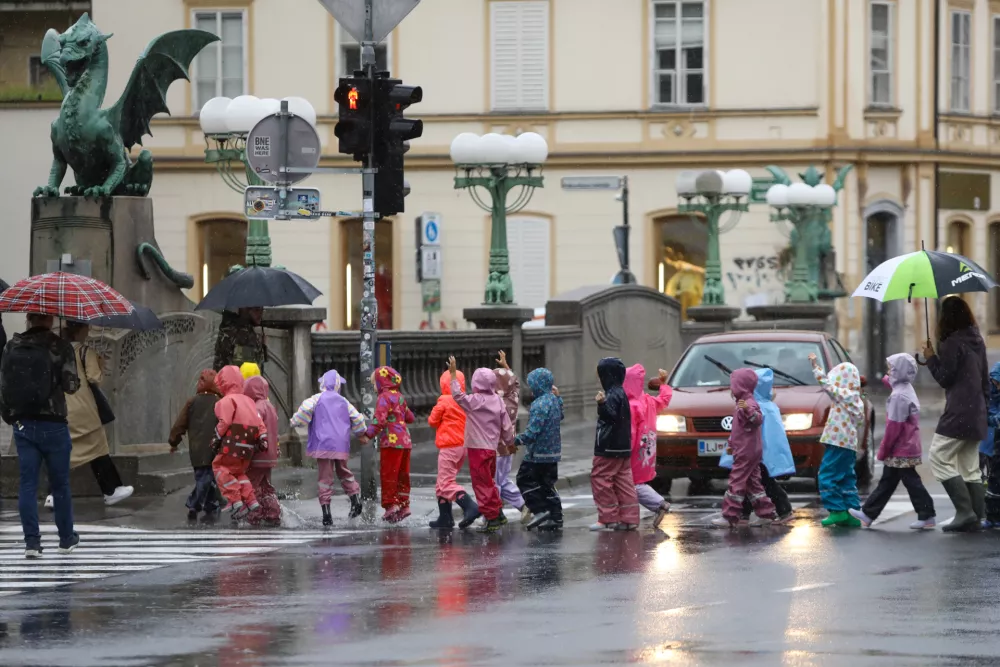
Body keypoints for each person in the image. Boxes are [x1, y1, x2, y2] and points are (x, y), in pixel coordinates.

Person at [0, 313, 81, 557]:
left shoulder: (11, 346)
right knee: (60, 484)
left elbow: (3, 384)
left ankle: (32, 543)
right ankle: (66, 539)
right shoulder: (60, 346)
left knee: (27, 484)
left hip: (24, 424)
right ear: (50, 319)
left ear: (28, 319)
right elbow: (71, 386)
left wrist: (10, 417)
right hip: (54, 423)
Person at [923, 297, 990, 532]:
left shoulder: (951, 343)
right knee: (969, 465)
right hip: (977, 410)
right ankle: (977, 513)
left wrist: (931, 358)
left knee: (938, 456)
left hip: (959, 411)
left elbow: (945, 378)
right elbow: (984, 380)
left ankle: (964, 512)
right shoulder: (977, 340)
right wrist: (985, 408)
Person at [849, 354, 936, 530]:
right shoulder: (905, 389)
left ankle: (927, 515)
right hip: (906, 446)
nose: (889, 371)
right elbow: (896, 384)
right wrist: (888, 378)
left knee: (910, 482)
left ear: (900, 372)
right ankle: (868, 514)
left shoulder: (898, 397)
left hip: (900, 448)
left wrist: (883, 450)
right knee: (889, 482)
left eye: (892, 369)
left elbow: (893, 429)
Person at [56, 321, 133, 507]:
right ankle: (111, 489)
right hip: (84, 409)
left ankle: (53, 493)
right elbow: (94, 378)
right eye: (86, 328)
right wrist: (99, 361)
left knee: (62, 454)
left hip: (63, 408)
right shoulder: (85, 351)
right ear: (81, 330)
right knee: (99, 448)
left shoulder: (57, 352)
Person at [290, 370, 367, 526]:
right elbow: (358, 419)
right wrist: (360, 433)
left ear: (322, 384)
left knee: (325, 477)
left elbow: (303, 413)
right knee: (344, 471)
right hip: (340, 444)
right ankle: (355, 499)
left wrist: (294, 422)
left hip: (323, 443)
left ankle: (326, 512)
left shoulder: (316, 399)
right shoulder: (344, 401)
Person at [448, 356, 515, 534]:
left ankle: (492, 518)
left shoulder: (474, 401)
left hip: (477, 449)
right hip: (491, 449)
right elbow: (506, 426)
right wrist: (510, 443)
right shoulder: (498, 401)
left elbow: (457, 395)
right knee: (490, 482)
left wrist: (453, 374)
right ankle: (498, 512)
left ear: (476, 383)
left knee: (481, 484)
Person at [721, 368, 795, 525]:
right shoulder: (762, 405)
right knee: (752, 483)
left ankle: (782, 510)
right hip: (755, 452)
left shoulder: (755, 406)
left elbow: (758, 428)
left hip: (755, 453)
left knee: (760, 482)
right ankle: (749, 513)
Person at [712, 368, 778, 528]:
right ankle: (766, 513)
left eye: (733, 385)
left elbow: (758, 419)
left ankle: (730, 515)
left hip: (746, 452)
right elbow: (738, 430)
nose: (731, 389)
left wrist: (747, 410)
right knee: (753, 482)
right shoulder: (743, 403)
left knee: (736, 481)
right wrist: (731, 445)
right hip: (748, 449)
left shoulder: (748, 403)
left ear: (740, 386)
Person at [810, 355, 865, 528]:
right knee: (846, 476)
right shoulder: (856, 398)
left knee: (827, 474)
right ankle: (852, 512)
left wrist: (816, 367)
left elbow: (827, 386)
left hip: (837, 441)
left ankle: (837, 510)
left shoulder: (844, 394)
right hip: (849, 444)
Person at [212, 365, 268, 521]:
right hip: (248, 444)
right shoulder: (249, 401)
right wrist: (263, 436)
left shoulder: (225, 401)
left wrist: (216, 437)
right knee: (238, 472)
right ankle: (251, 500)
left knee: (219, 468)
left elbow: (225, 421)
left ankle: (235, 499)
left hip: (232, 442)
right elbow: (259, 421)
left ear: (223, 383)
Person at [427, 368, 480, 529]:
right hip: (462, 446)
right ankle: (445, 517)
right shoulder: (464, 400)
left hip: (448, 446)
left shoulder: (444, 400)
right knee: (442, 482)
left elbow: (432, 421)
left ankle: (470, 506)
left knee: (446, 482)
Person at [590, 357, 639, 532]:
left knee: (601, 478)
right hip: (622, 447)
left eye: (600, 374)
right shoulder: (622, 393)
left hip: (608, 447)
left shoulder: (611, 395)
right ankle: (629, 518)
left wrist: (601, 404)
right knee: (623, 481)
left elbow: (610, 417)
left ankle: (607, 517)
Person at [168, 369, 223, 521]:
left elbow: (180, 424)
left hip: (196, 449)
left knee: (204, 477)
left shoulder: (192, 402)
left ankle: (211, 505)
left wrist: (174, 441)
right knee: (208, 478)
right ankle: (194, 504)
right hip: (214, 448)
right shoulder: (220, 403)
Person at [623, 363, 673, 529]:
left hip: (635, 450)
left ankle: (659, 504)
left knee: (630, 483)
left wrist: (624, 451)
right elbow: (664, 400)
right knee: (636, 482)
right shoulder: (648, 401)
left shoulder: (631, 406)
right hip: (648, 450)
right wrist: (664, 384)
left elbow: (630, 433)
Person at [364, 365, 416, 523]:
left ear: (381, 382)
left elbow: (379, 419)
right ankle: (404, 505)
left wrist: (368, 434)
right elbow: (411, 417)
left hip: (391, 442)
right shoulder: (399, 396)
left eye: (374, 383)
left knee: (389, 473)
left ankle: (390, 506)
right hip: (405, 441)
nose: (374, 387)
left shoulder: (384, 397)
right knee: (402, 474)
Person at [515, 367, 565, 531]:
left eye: (532, 384)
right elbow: (561, 415)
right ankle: (555, 516)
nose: (530, 388)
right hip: (553, 452)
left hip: (537, 453)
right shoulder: (554, 400)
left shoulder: (539, 404)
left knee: (524, 479)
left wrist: (515, 439)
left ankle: (540, 510)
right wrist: (558, 397)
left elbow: (533, 431)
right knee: (547, 485)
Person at [493, 351, 528, 523]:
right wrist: (506, 367)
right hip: (509, 447)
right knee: (503, 479)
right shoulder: (512, 398)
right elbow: (515, 385)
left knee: (495, 482)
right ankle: (523, 505)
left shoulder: (496, 403)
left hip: (497, 448)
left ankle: (495, 514)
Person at [244, 375, 281, 526]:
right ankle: (273, 513)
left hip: (258, 455)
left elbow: (254, 428)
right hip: (269, 455)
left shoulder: (257, 407)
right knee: (266, 486)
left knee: (252, 486)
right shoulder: (270, 406)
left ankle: (254, 515)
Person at [213, 308, 266, 372]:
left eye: (262, 310)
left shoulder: (230, 328)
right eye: (256, 309)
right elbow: (246, 369)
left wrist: (262, 346)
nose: (260, 313)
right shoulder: (241, 334)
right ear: (245, 309)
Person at [983, 362, 1000, 528]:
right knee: (994, 477)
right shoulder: (990, 391)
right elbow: (988, 410)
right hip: (994, 440)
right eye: (996, 382)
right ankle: (992, 515)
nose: (997, 386)